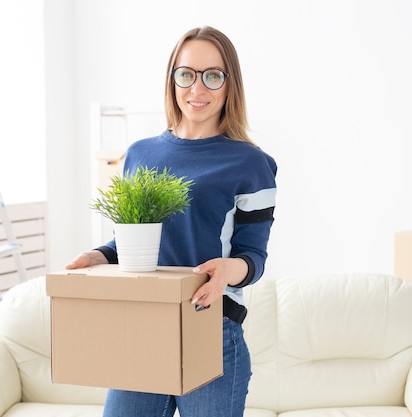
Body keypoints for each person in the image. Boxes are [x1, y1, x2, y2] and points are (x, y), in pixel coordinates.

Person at [65, 26, 278, 417]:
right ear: (172, 79)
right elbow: (133, 243)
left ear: (230, 84)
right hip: (142, 326)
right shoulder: (139, 155)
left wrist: (230, 269)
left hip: (211, 327)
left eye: (213, 75)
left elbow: (253, 257)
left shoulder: (252, 164)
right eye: (186, 74)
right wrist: (100, 256)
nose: (197, 89)